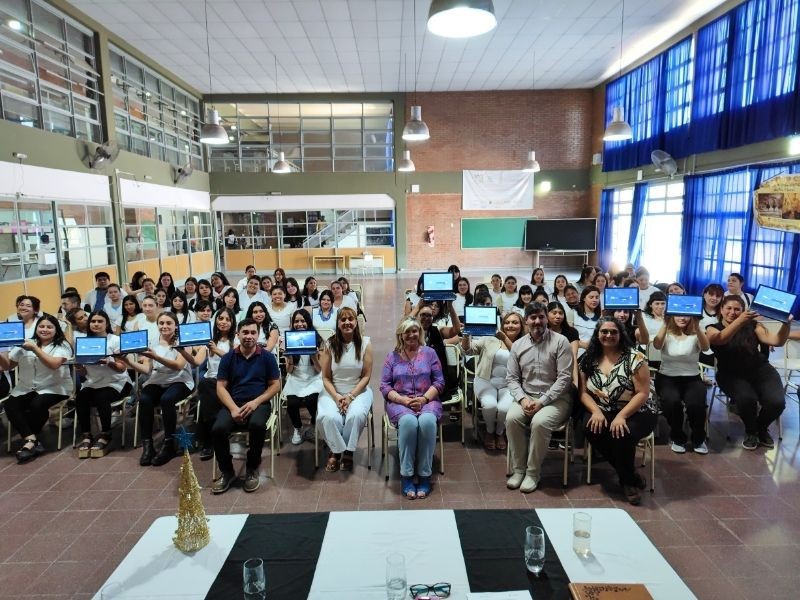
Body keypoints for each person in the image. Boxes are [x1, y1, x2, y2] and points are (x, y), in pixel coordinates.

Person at [579, 316, 656, 505]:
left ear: (621, 335)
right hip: (603, 408)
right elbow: (583, 393)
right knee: (591, 428)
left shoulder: (634, 358)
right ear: (597, 334)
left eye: (613, 332)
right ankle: (630, 475)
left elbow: (642, 393)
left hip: (637, 409)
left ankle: (627, 482)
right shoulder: (588, 358)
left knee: (622, 433)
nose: (609, 335)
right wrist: (596, 412)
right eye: (604, 331)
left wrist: (622, 416)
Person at [505, 302, 574, 493]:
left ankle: (532, 473)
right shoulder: (518, 345)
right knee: (511, 419)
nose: (537, 321)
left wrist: (542, 402)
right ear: (526, 321)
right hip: (527, 396)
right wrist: (523, 400)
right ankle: (519, 470)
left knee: (540, 422)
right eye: (533, 317)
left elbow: (565, 378)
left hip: (557, 398)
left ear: (547, 319)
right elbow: (512, 378)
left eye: (541, 317)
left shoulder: (560, 342)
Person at [706, 295, 791, 450]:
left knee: (777, 402)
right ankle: (751, 431)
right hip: (730, 374)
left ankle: (760, 428)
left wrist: (786, 324)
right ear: (721, 310)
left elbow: (777, 341)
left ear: (743, 310)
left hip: (760, 370)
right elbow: (720, 339)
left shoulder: (753, 325)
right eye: (729, 308)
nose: (732, 312)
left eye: (737, 309)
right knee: (747, 399)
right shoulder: (712, 328)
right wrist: (740, 321)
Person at [381, 317, 444, 499]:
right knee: (408, 423)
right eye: (407, 332)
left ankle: (424, 474)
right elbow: (384, 386)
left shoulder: (430, 353)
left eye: (414, 331)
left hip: (427, 399)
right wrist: (403, 400)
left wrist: (424, 399)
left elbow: (439, 381)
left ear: (420, 333)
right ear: (401, 335)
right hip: (400, 402)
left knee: (427, 422)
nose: (411, 335)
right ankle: (407, 474)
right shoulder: (392, 357)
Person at [0, 314, 73, 463]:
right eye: (41, 326)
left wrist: (35, 349)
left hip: (55, 387)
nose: (44, 329)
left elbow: (54, 364)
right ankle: (32, 440)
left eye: (49, 327)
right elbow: (7, 366)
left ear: (56, 330)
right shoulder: (26, 342)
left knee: (37, 404)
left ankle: (30, 441)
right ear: (36, 328)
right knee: (10, 404)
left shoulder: (62, 345)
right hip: (27, 387)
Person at [128, 311, 195, 466]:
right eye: (161, 323)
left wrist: (156, 357)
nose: (164, 326)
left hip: (180, 380)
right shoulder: (152, 342)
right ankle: (148, 445)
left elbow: (179, 366)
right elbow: (147, 369)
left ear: (176, 325)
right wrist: (127, 361)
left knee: (167, 399)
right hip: (158, 379)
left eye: (168, 323)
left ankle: (169, 444)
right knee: (144, 399)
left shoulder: (183, 341)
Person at [317, 307, 373, 472]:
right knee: (328, 417)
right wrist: (336, 397)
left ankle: (347, 451)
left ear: (356, 322)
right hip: (332, 391)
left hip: (358, 391)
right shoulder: (329, 345)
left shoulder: (365, 344)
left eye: (350, 319)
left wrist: (350, 397)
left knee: (355, 416)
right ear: (338, 323)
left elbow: (366, 376)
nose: (347, 322)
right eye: (343, 320)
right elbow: (325, 377)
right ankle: (337, 449)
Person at [179, 308, 237, 460]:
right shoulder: (210, 341)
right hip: (212, 383)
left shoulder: (236, 340)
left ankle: (208, 441)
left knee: (206, 386)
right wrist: (182, 351)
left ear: (232, 322)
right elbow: (196, 362)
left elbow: (236, 361)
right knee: (206, 385)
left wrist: (216, 350)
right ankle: (214, 436)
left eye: (227, 319)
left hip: (229, 382)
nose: (223, 322)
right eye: (220, 318)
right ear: (215, 321)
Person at [462, 312, 524, 451]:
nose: (510, 325)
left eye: (515, 322)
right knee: (490, 405)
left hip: (510, 384)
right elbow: (468, 350)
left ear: (521, 325)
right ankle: (489, 431)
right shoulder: (490, 338)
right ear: (502, 324)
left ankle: (500, 432)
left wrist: (505, 338)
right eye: (507, 322)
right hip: (486, 380)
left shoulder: (525, 342)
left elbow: (520, 357)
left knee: (504, 408)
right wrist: (466, 335)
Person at [75, 310, 132, 458]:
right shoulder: (84, 342)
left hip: (117, 381)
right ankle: (86, 434)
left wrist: (108, 362)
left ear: (107, 324)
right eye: (93, 321)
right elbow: (83, 373)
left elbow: (122, 368)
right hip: (93, 382)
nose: (96, 324)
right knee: (80, 397)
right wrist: (79, 367)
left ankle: (106, 433)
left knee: (101, 397)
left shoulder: (115, 340)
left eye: (100, 321)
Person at [653, 313, 711, 454]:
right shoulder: (666, 332)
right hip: (667, 377)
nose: (682, 318)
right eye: (678, 315)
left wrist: (697, 327)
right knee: (671, 402)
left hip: (692, 377)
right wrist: (665, 324)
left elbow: (705, 348)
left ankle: (699, 438)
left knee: (696, 404)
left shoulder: (696, 333)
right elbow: (656, 345)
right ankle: (677, 437)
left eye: (686, 316)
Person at [283, 309, 323, 445]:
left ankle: (313, 424)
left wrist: (314, 357)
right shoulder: (290, 340)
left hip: (314, 378)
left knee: (312, 401)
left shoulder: (317, 339)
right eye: (296, 321)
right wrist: (290, 359)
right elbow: (289, 371)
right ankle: (297, 428)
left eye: (302, 321)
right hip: (295, 378)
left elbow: (320, 370)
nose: (299, 324)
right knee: (292, 403)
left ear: (308, 322)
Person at [573, 285, 602, 352]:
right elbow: (568, 336)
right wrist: (584, 345)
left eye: (597, 297)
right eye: (591, 297)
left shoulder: (601, 316)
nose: (594, 300)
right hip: (576, 351)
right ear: (584, 298)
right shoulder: (573, 313)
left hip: (595, 352)